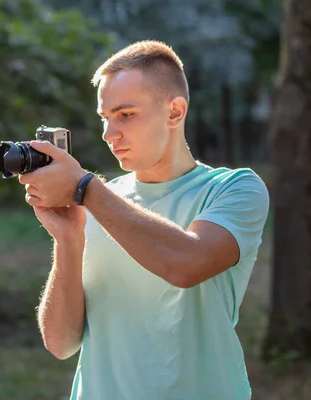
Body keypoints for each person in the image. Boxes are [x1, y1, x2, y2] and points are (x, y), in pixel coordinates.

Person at [18, 40, 270, 399]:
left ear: (175, 112)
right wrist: (68, 240)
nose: (109, 134)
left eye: (126, 115)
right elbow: (60, 343)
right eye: (105, 118)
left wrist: (86, 188)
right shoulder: (98, 203)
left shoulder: (234, 188)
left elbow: (186, 263)